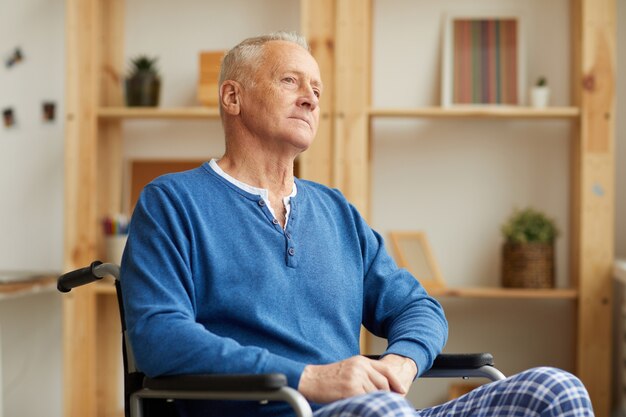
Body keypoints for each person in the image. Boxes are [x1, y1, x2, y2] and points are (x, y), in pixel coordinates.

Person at [120, 32, 593, 417]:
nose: (310, 99)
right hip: (278, 410)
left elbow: (418, 307)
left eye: (318, 91)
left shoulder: (336, 211)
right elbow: (161, 337)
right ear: (232, 96)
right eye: (290, 81)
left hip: (372, 411)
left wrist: (403, 361)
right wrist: (309, 378)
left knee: (556, 389)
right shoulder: (173, 202)